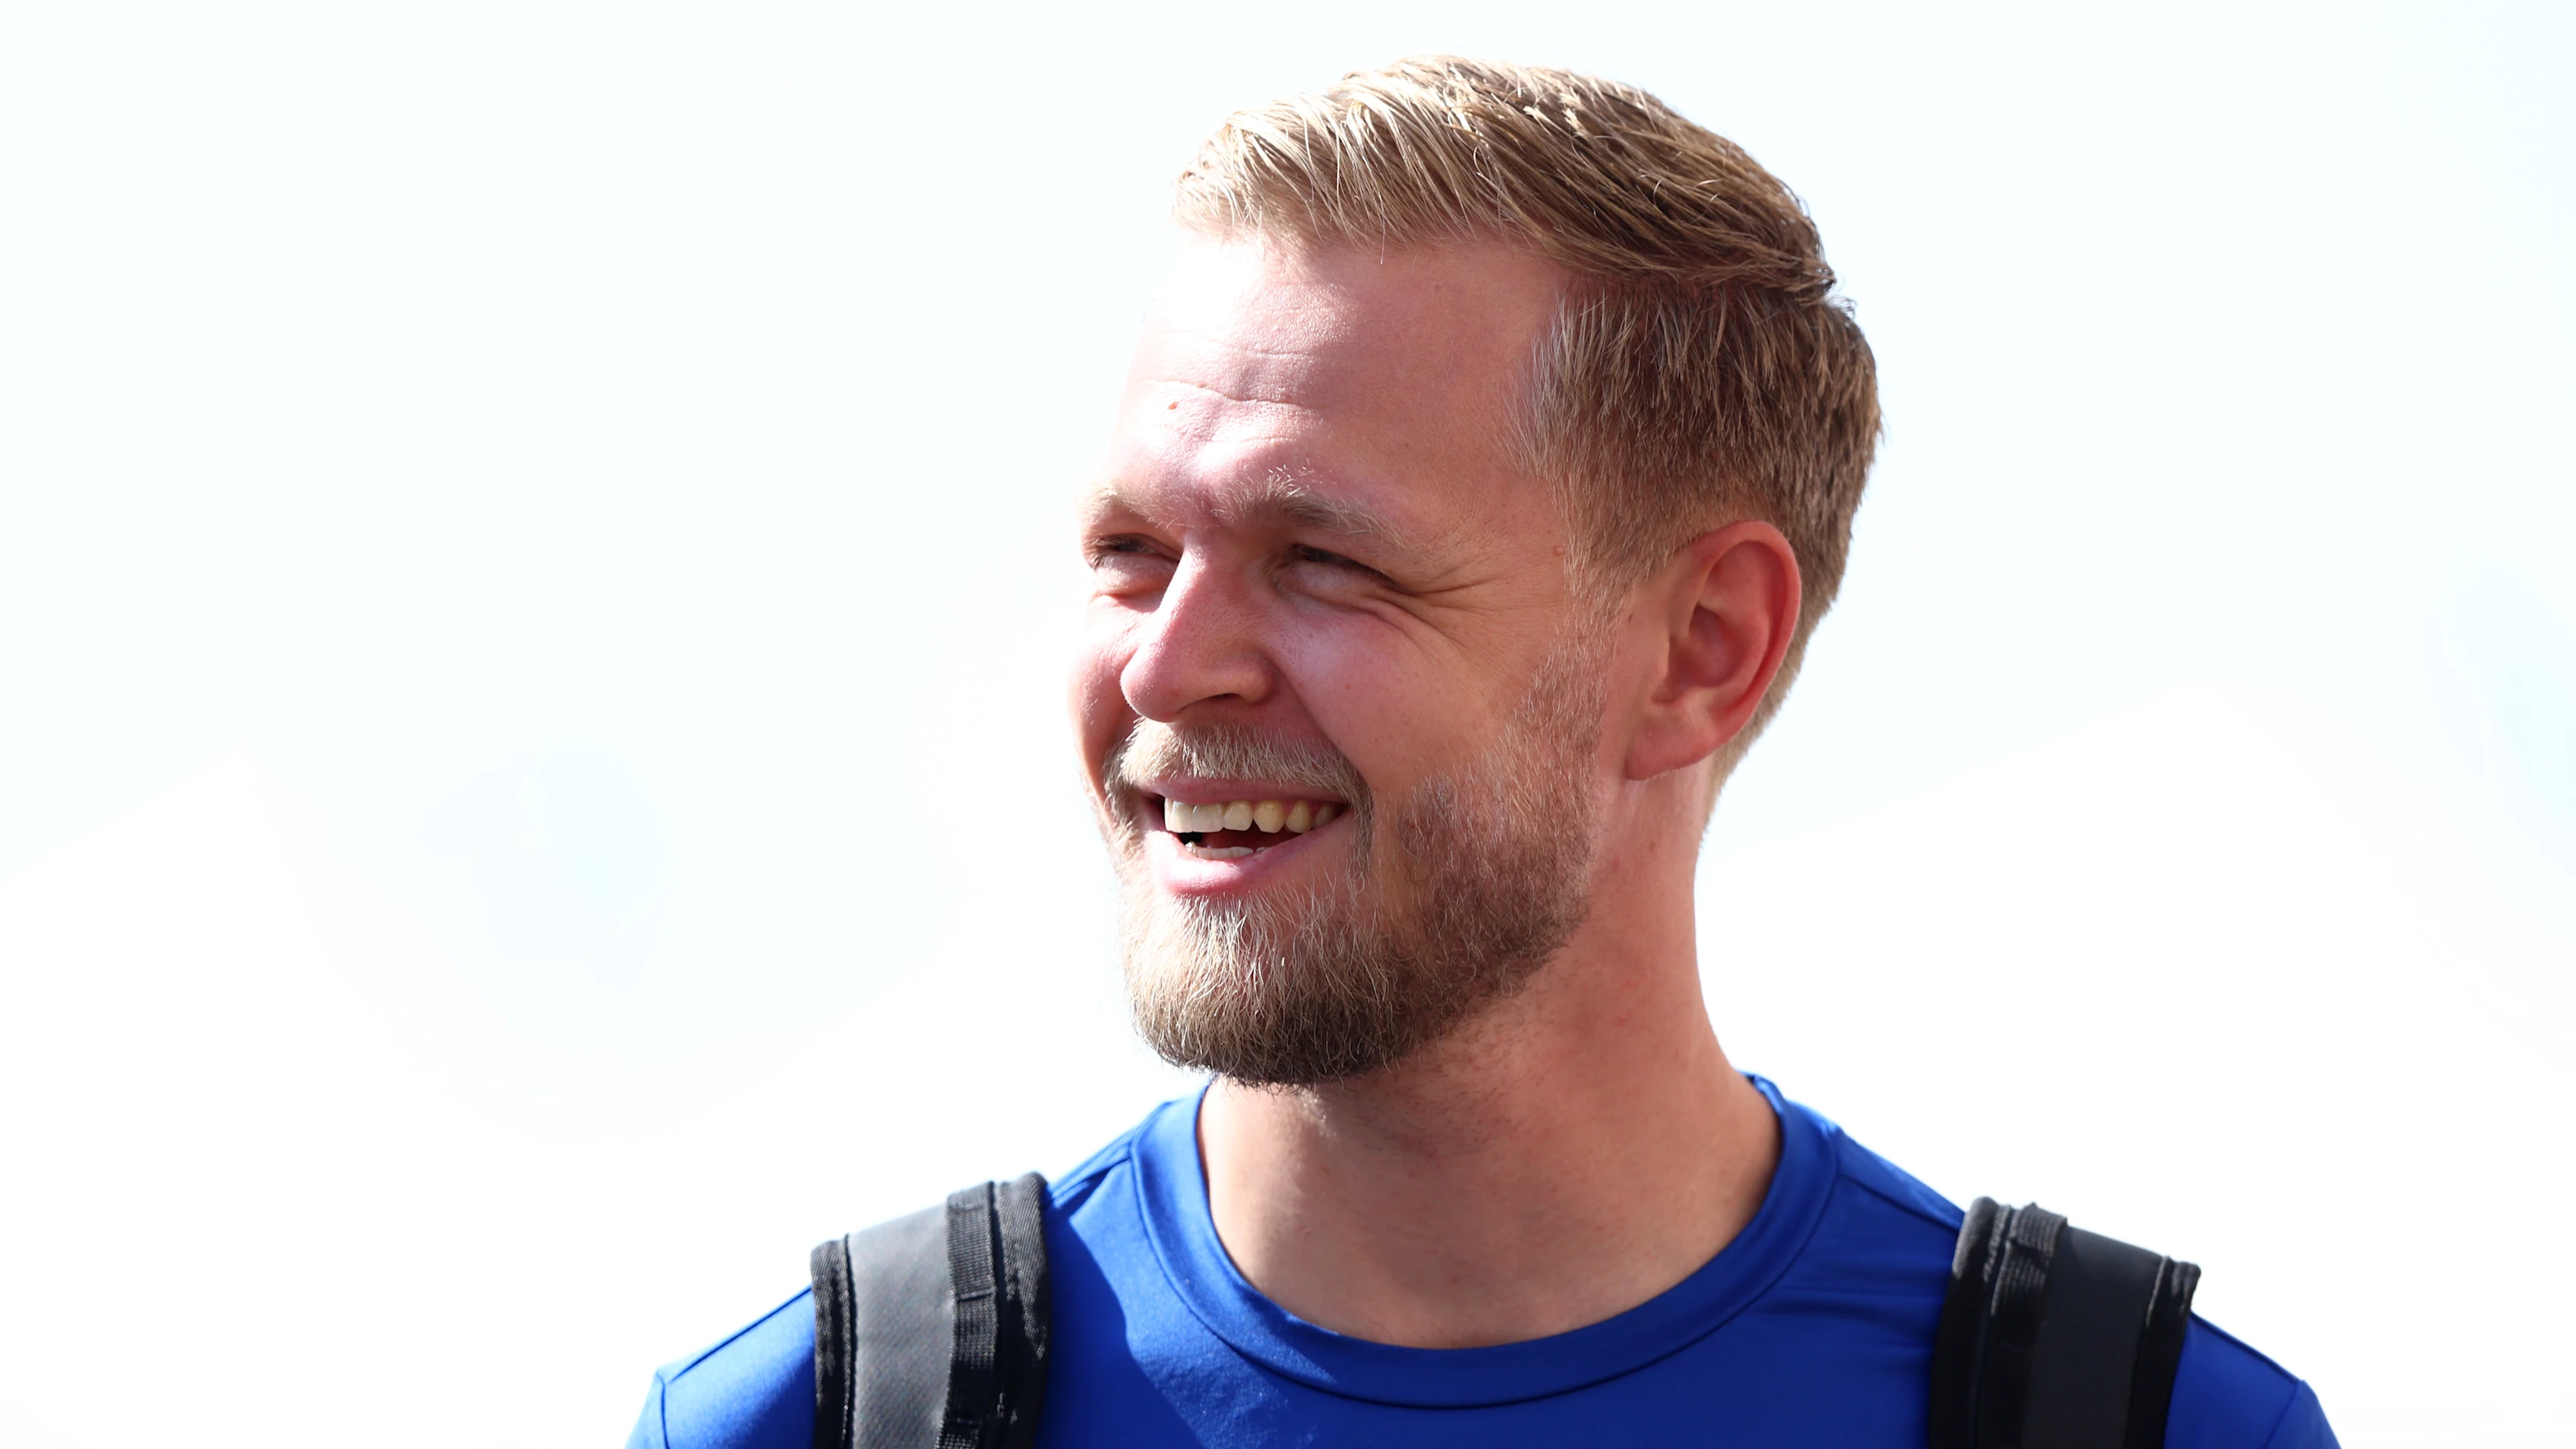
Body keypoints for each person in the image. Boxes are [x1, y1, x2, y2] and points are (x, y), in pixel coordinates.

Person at [627, 57, 2337, 1448]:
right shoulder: (810, 1423)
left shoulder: (2143, 1426)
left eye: (1325, 561)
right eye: (1130, 551)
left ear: (1699, 650)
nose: (1167, 663)